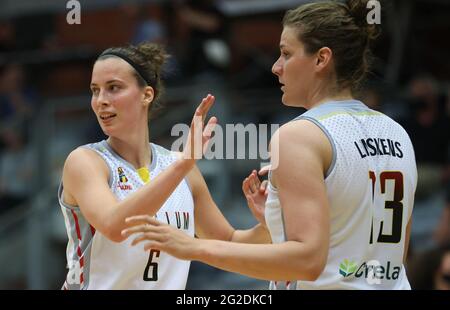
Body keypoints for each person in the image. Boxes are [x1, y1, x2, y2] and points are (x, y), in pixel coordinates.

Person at [122, 0, 417, 289]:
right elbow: (388, 253)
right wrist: (275, 224)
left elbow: (307, 262)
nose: (276, 67)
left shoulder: (299, 136)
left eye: (286, 54)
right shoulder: (397, 132)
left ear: (321, 59)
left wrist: (192, 248)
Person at [59, 42, 270, 289]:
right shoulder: (85, 161)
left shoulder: (182, 168)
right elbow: (115, 227)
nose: (101, 101)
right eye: (95, 90)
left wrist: (267, 224)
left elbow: (228, 242)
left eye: (113, 88)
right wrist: (184, 162)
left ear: (146, 95)